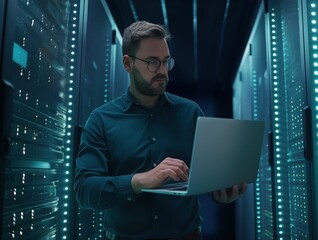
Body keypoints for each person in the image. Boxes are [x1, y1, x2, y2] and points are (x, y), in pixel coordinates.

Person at [74, 20, 247, 240]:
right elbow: (84, 190)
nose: (163, 71)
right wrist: (139, 181)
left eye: (166, 62)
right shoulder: (101, 119)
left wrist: (223, 194)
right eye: (153, 62)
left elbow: (210, 178)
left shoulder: (191, 112)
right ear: (128, 64)